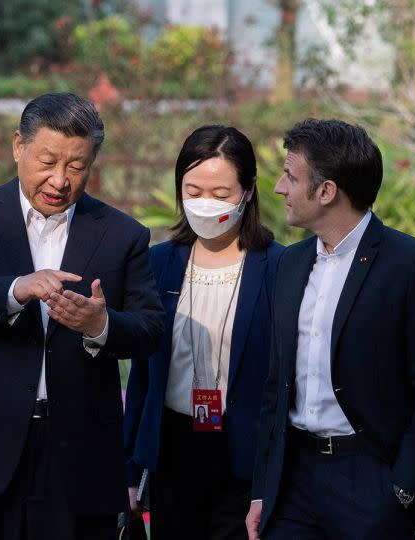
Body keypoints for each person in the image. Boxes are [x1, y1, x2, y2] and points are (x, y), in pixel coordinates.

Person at [0, 92, 165, 540]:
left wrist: (99, 325)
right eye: (47, 161)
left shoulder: (122, 234)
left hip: (80, 451)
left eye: (76, 167)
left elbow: (150, 329)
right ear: (18, 146)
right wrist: (14, 290)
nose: (60, 180)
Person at [245, 119, 415, 540]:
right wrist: (262, 490)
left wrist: (402, 492)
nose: (279, 187)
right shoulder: (288, 264)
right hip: (293, 481)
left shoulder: (414, 265)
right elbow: (276, 387)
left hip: (370, 480)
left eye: (291, 177)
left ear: (327, 192)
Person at [124, 125, 284, 540]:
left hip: (243, 458)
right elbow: (142, 378)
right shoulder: (158, 263)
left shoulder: (278, 269)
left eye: (220, 193)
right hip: (173, 450)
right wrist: (130, 469)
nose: (205, 204)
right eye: (193, 191)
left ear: (248, 191)